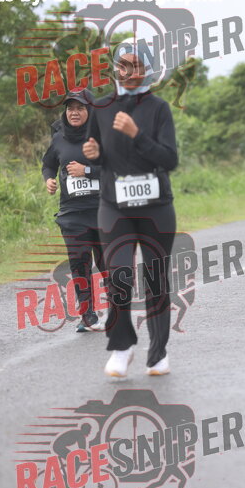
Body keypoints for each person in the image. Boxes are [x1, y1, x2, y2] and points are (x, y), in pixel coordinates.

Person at [83, 48, 178, 378]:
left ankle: (158, 354)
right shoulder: (100, 107)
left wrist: (136, 134)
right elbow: (99, 153)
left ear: (147, 70)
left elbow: (169, 159)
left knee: (155, 280)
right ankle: (122, 347)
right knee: (119, 276)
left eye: (136, 66)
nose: (129, 72)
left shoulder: (158, 108)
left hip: (156, 208)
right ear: (115, 69)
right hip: (114, 206)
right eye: (123, 66)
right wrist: (93, 154)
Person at [42, 90, 105, 333]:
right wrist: (49, 180)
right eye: (70, 108)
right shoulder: (59, 138)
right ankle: (88, 316)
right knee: (79, 264)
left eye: (80, 108)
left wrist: (87, 171)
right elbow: (48, 164)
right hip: (72, 213)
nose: (74, 112)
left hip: (103, 210)